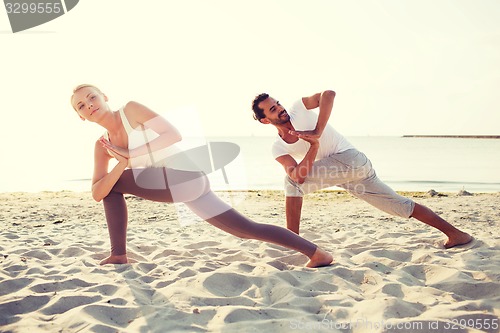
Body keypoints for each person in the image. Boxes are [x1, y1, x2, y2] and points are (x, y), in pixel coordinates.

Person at [70, 84, 333, 267]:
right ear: (80, 116)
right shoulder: (102, 145)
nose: (89, 105)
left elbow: (173, 134)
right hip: (176, 187)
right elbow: (97, 193)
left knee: (113, 186)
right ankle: (317, 253)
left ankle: (119, 255)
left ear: (103, 96)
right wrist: (121, 162)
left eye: (91, 97)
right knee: (246, 230)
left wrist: (128, 152)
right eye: (81, 105)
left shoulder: (130, 110)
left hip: (187, 176)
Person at [251, 90, 472, 248]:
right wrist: (314, 146)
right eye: (272, 109)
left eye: (277, 103)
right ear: (264, 121)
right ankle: (456, 235)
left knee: (290, 183)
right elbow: (298, 176)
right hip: (346, 174)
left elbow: (328, 94)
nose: (279, 108)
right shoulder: (278, 147)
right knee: (400, 206)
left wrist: (318, 131)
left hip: (351, 160)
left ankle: (292, 241)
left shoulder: (299, 108)